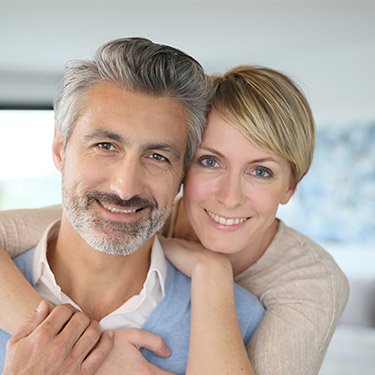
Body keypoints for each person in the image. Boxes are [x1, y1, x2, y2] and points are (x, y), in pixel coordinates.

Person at [0, 64, 349, 374]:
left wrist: (211, 271)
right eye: (210, 161)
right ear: (185, 170)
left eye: (261, 171)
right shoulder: (129, 212)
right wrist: (90, 351)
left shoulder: (308, 284)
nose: (230, 197)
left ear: (291, 186)